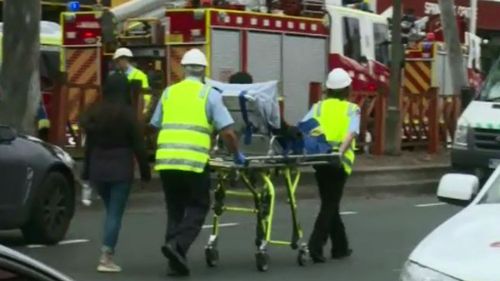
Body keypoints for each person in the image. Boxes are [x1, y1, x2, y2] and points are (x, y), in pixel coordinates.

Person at [150, 48, 245, 276]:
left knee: (175, 209)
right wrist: (236, 155)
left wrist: (161, 150)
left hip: (167, 161)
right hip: (193, 162)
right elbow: (228, 133)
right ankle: (177, 245)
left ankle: (175, 262)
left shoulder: (169, 93)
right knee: (198, 206)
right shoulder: (208, 95)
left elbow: (154, 126)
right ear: (204, 71)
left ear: (183, 69)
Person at [80, 72, 151, 273]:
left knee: (110, 208)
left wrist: (86, 173)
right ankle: (106, 256)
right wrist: (145, 173)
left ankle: (107, 251)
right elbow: (139, 147)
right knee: (114, 213)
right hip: (120, 168)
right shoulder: (127, 115)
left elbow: (88, 148)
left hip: (97, 168)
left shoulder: (94, 113)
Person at [300, 68, 360, 263]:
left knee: (330, 203)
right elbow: (351, 134)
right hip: (338, 163)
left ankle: (340, 247)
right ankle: (315, 245)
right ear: (347, 89)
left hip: (320, 160)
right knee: (330, 204)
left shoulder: (318, 107)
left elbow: (305, 126)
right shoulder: (352, 109)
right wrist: (339, 152)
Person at [113, 47, 151, 114]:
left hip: (134, 111)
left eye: (117, 61)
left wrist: (143, 111)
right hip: (119, 111)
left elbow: (146, 96)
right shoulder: (115, 75)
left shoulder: (140, 75)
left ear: (124, 59)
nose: (116, 64)